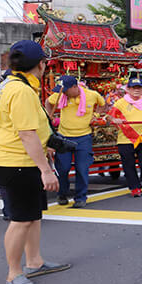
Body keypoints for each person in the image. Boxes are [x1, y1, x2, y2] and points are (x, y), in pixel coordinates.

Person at [0, 40, 70, 284]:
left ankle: (35, 262)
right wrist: (46, 170)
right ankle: (14, 273)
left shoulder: (10, 85)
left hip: (20, 160)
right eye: (45, 62)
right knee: (21, 220)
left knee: (33, 216)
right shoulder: (21, 90)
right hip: (17, 162)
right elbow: (26, 134)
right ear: (41, 64)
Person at [45, 76, 107, 208]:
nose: (63, 93)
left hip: (84, 137)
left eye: (65, 90)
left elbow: (103, 104)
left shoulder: (92, 95)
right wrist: (49, 116)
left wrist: (96, 115)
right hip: (64, 137)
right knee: (63, 168)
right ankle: (62, 193)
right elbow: (48, 102)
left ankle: (80, 197)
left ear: (74, 87)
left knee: (82, 168)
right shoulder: (60, 95)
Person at [109, 78, 142, 197]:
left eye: (139, 88)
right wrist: (114, 119)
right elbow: (109, 116)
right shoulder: (120, 103)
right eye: (133, 88)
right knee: (128, 164)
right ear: (128, 89)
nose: (136, 90)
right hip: (125, 139)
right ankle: (134, 187)